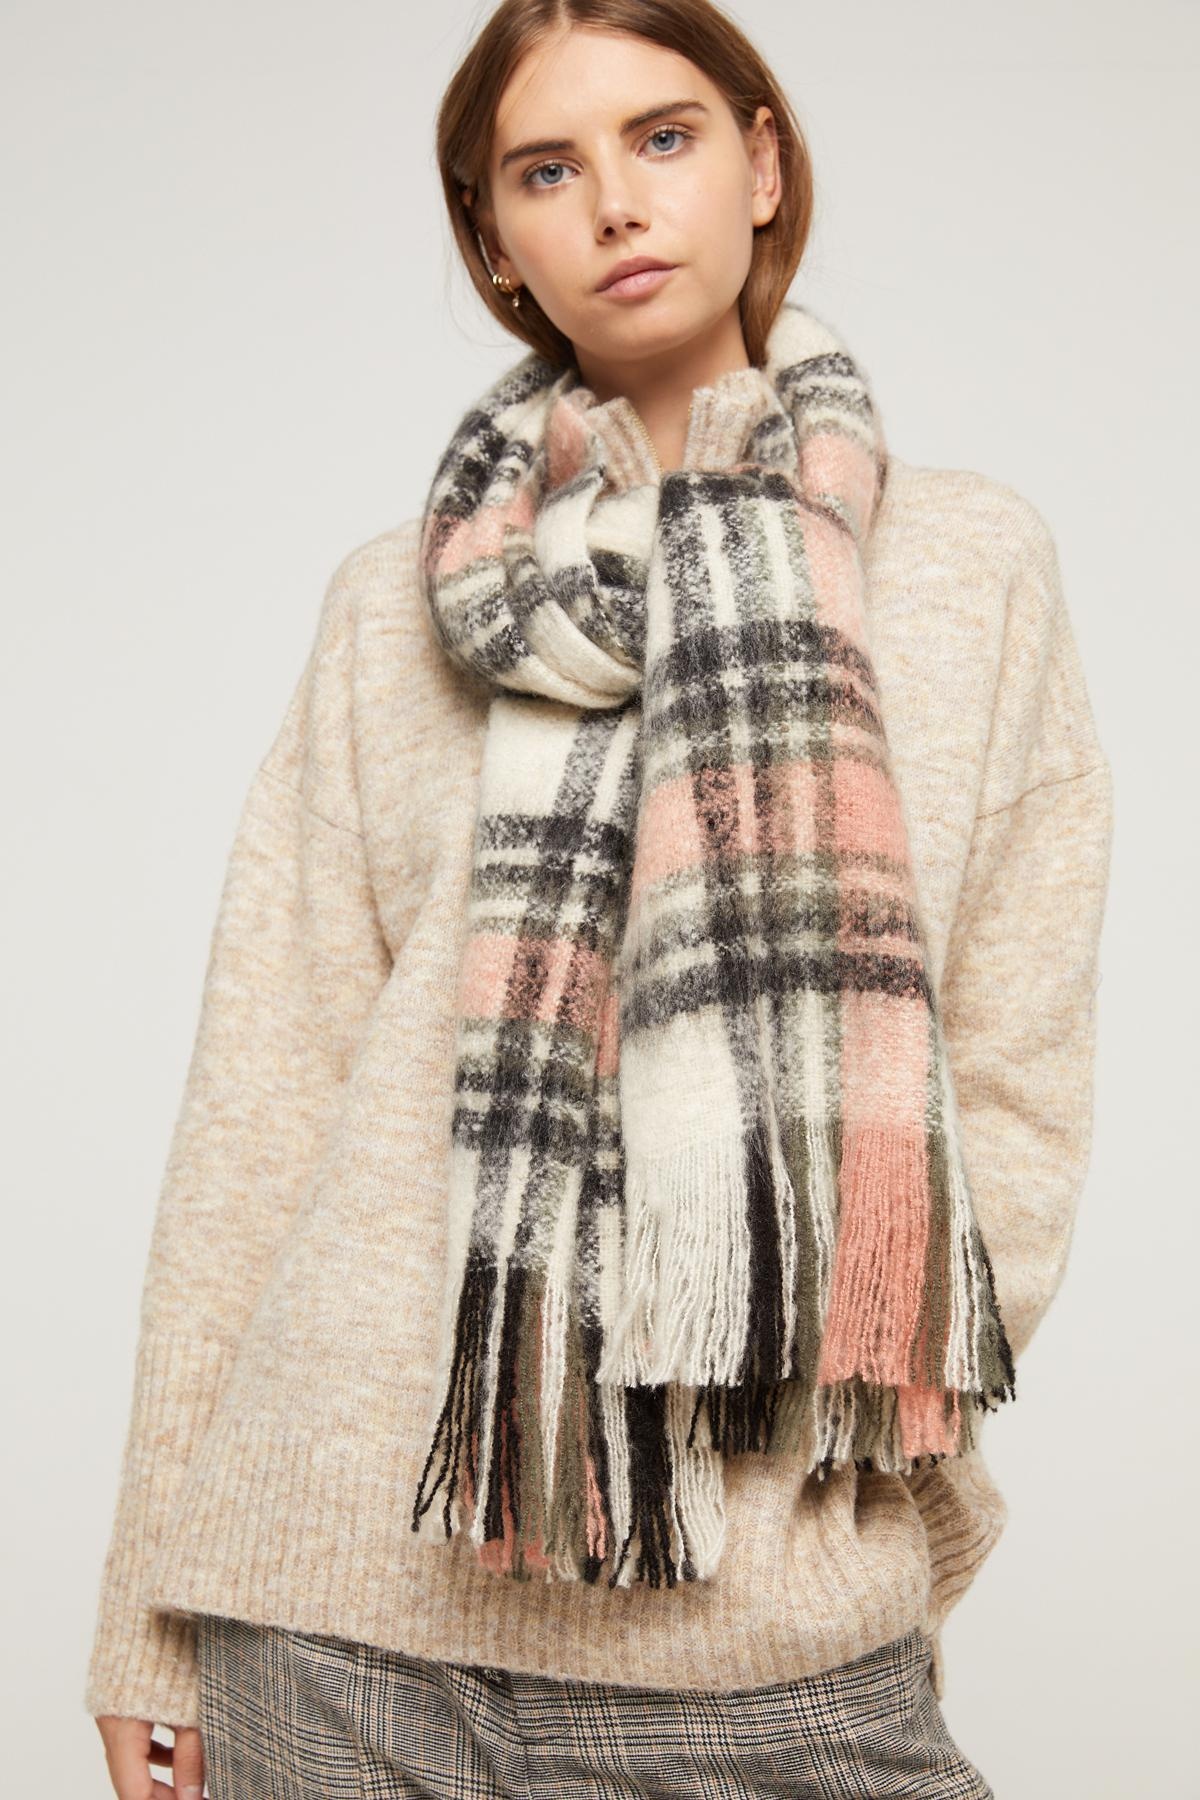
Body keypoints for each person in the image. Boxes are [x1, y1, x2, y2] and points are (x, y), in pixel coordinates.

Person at [86, 2, 1114, 1796]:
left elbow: (1014, 1086)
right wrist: (143, 1614)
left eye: (665, 137)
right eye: (546, 170)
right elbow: (260, 1108)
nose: (617, 204)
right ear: (494, 238)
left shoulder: (969, 566)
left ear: (761, 163)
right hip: (335, 1624)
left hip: (760, 1632)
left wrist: (837, 1452)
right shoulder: (388, 605)